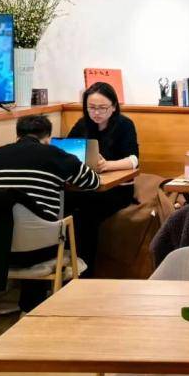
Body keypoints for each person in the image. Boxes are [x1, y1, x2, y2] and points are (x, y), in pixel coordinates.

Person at [0, 115, 100, 311]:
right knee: (52, 225)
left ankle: (29, 306)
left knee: (30, 224)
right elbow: (92, 182)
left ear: (17, 135)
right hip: (40, 251)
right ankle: (34, 306)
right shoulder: (54, 154)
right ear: (47, 138)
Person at [66, 81, 140, 275]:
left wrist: (107, 165)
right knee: (63, 205)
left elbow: (133, 160)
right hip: (85, 185)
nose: (96, 113)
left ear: (113, 106)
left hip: (116, 189)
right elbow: (67, 151)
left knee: (85, 214)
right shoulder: (82, 124)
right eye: (91, 108)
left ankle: (84, 274)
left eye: (102, 108)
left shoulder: (124, 125)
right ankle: (62, 269)